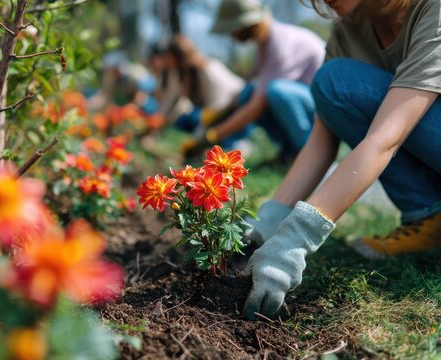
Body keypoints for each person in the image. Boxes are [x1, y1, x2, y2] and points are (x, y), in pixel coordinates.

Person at [243, 0, 441, 320]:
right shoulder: (347, 31)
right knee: (334, 84)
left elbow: (386, 138)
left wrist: (297, 239)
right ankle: (431, 217)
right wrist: (271, 218)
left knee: (336, 80)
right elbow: (322, 141)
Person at [184, 0, 325, 159]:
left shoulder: (280, 43)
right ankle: (288, 150)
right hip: (302, 98)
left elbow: (258, 104)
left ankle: (307, 152)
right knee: (248, 94)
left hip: (320, 105)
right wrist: (220, 112)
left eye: (233, 29)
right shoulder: (264, 45)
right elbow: (249, 85)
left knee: (277, 92)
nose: (232, 35)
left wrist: (213, 135)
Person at [163, 35, 247, 144]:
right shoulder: (182, 76)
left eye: (169, 57)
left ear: (179, 58)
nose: (166, 61)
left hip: (237, 111)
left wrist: (197, 138)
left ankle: (238, 142)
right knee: (186, 119)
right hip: (213, 113)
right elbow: (171, 98)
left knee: (214, 137)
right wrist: (158, 120)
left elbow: (217, 108)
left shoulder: (209, 70)